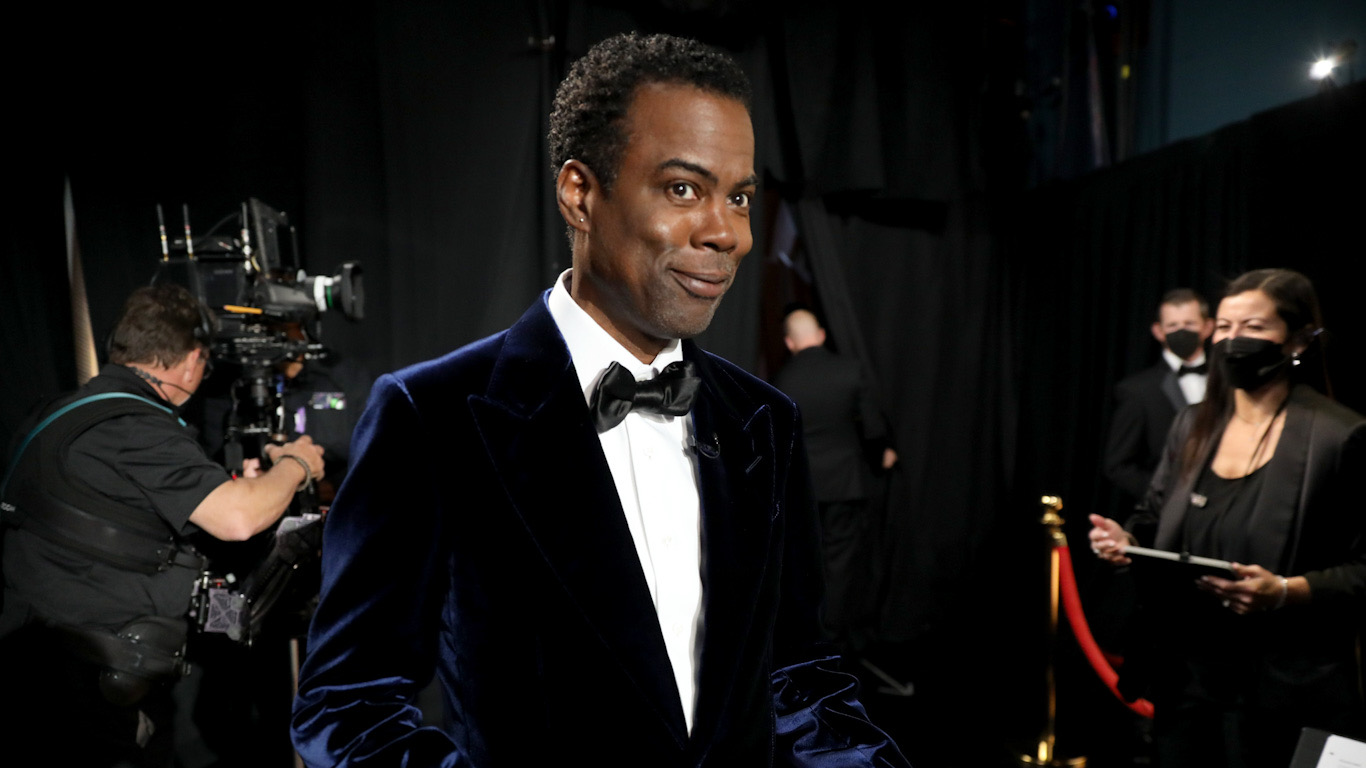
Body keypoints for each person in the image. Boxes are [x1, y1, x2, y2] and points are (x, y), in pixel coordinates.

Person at [291, 32, 909, 767]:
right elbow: (348, 706)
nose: (725, 232)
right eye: (683, 188)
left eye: (740, 197)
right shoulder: (432, 416)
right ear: (580, 194)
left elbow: (801, 679)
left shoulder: (764, 423)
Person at [0, 282, 325, 767]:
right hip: (96, 691)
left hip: (35, 670)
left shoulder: (57, 414)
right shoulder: (137, 426)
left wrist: (233, 485)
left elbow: (116, 511)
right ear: (193, 359)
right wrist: (296, 465)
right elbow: (238, 519)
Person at [1088, 269, 1366, 768]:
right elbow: (1151, 517)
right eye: (1224, 327)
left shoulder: (1339, 436)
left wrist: (1286, 591)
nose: (1234, 341)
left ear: (1298, 338)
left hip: (1285, 686)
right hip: (1187, 680)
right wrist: (1125, 541)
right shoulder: (1191, 424)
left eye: (1255, 327)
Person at [773, 307, 896, 655]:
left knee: (803, 562)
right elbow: (872, 428)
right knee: (840, 564)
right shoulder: (850, 370)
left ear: (789, 342)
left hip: (802, 489)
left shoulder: (782, 380)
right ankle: (834, 640)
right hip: (845, 485)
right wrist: (884, 453)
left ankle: (807, 637)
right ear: (822, 335)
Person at [1103, 289, 1214, 509]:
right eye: (1172, 326)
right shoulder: (1137, 391)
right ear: (1158, 331)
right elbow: (1118, 465)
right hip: (1165, 513)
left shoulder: (1229, 382)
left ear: (1208, 327)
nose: (1181, 331)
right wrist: (1164, 498)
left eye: (1189, 324)